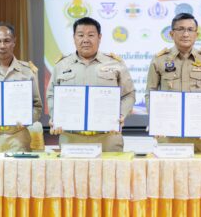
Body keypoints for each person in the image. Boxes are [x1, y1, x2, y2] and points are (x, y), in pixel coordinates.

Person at [46, 17, 135, 152]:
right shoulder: (61, 65)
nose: (85, 40)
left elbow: (129, 94)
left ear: (99, 37)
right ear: (74, 38)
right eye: (80, 35)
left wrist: (121, 115)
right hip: (71, 138)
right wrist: (56, 116)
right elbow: (51, 94)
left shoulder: (115, 64)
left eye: (91, 35)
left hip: (108, 137)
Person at [145, 12, 201, 153]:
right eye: (180, 29)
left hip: (199, 134)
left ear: (196, 34)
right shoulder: (159, 60)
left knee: (200, 166)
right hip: (167, 133)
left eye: (190, 30)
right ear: (171, 34)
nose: (185, 34)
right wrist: (155, 121)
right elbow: (150, 93)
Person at [0, 22, 43, 152]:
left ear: (14, 42)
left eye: (6, 41)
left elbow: (37, 106)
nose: (2, 46)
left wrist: (27, 119)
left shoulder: (28, 71)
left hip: (18, 136)